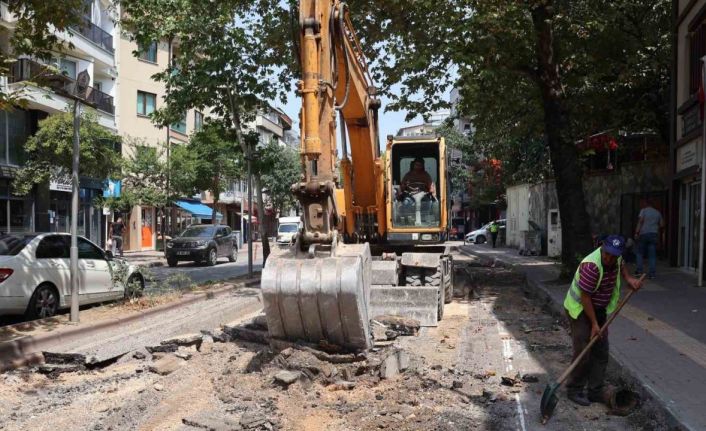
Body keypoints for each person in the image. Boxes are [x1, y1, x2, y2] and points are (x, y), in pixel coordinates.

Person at [563, 235, 643, 406]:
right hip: (580, 310)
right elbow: (585, 298)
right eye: (607, 254)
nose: (609, 258)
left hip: (599, 310)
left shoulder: (617, 258)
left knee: (600, 351)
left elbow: (621, 265)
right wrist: (594, 324)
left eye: (614, 255)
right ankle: (574, 389)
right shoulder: (591, 266)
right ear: (602, 247)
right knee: (584, 350)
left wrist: (629, 280)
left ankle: (595, 390)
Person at [634, 199, 664, 279]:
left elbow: (640, 222)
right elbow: (661, 224)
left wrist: (636, 232)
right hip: (654, 234)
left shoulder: (643, 211)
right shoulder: (658, 213)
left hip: (643, 233)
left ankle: (639, 271)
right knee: (652, 255)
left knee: (639, 253)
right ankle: (652, 273)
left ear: (646, 204)